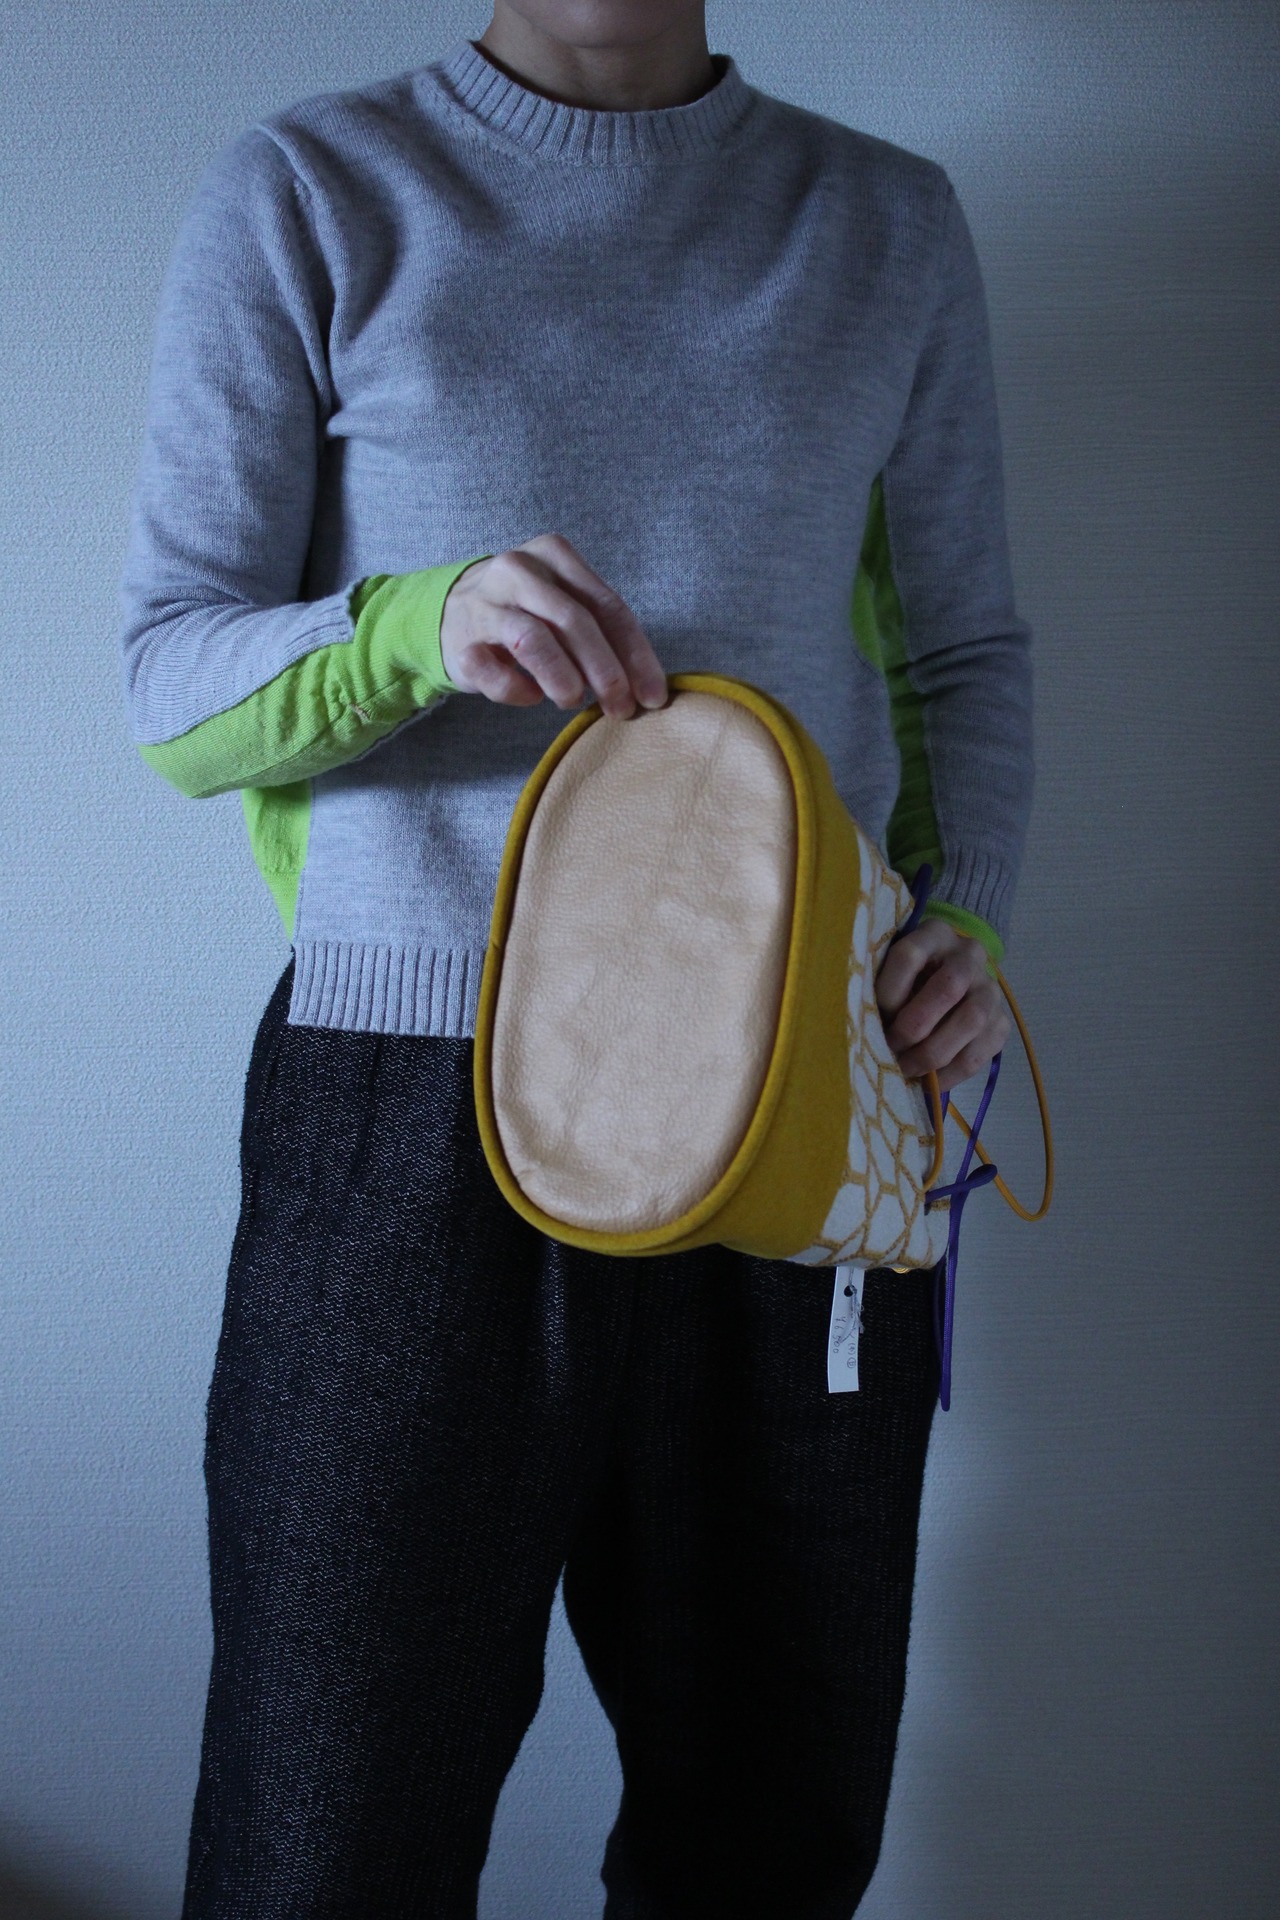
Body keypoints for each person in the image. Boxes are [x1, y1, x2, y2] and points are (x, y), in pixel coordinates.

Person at [116, 2, 1033, 1913]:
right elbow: (173, 682)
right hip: (406, 1108)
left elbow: (958, 654)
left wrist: (963, 917)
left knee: (772, 1830)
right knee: (326, 1834)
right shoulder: (315, 190)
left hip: (800, 1102)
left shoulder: (886, 220)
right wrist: (413, 625)